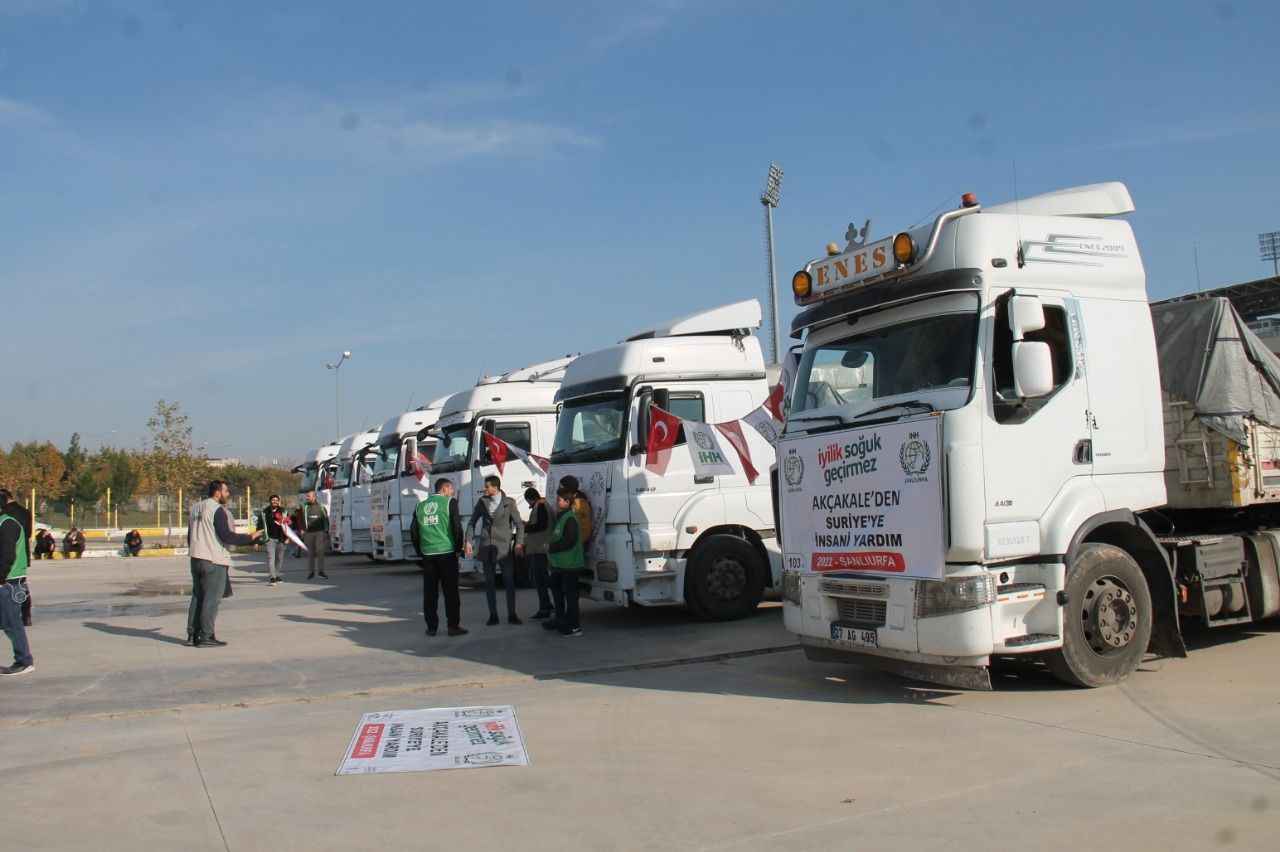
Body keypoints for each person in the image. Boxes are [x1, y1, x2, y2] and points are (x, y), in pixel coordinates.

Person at [186, 480, 262, 647]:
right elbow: (227, 536)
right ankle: (206, 636)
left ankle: (192, 635)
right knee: (211, 599)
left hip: (195, 558)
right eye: (226, 491)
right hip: (213, 560)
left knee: (198, 597)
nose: (228, 495)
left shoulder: (195, 508)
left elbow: (189, 536)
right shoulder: (216, 510)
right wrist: (251, 538)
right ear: (218, 492)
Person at [409, 478, 468, 637]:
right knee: (451, 592)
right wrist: (457, 549)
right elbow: (457, 527)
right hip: (447, 553)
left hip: (428, 555)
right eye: (451, 489)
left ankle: (431, 627)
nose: (453, 492)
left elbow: (414, 532)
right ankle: (453, 626)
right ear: (445, 488)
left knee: (430, 593)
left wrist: (420, 551)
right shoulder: (450, 503)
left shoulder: (420, 506)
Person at [465, 475, 525, 626]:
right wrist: (468, 541)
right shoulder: (482, 502)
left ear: (495, 487)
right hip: (486, 546)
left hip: (504, 548)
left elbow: (520, 525)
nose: (484, 489)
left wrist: (518, 544)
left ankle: (512, 614)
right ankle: (493, 615)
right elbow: (472, 522)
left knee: (509, 581)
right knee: (489, 582)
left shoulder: (508, 503)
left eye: (487, 487)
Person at [545, 486, 585, 637]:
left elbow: (569, 541)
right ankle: (561, 620)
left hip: (570, 565)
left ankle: (574, 627)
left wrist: (551, 547)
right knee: (557, 593)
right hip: (559, 565)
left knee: (571, 597)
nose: (557, 502)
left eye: (560, 500)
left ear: (568, 502)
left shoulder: (570, 519)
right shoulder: (562, 516)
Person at [0, 497, 35, 674]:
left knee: (11, 623)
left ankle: (24, 660)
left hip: (9, 582)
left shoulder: (7, 524)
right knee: (8, 623)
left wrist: (0, 578)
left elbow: (7, 555)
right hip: (7, 581)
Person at [523, 487, 553, 619]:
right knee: (542, 578)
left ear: (530, 499)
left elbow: (541, 525)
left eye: (528, 501)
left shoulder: (540, 506)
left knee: (540, 580)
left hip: (540, 549)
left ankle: (544, 608)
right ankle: (547, 605)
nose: (528, 505)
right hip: (541, 547)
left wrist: (525, 527)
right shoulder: (543, 505)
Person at [257, 495, 288, 585]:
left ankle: (277, 575)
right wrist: (257, 541)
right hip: (269, 538)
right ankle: (272, 577)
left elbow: (288, 525)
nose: (274, 501)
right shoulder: (264, 512)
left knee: (279, 558)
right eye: (273, 500)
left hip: (281, 539)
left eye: (276, 500)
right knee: (271, 558)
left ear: (278, 501)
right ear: (270, 501)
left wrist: (288, 538)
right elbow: (259, 526)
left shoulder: (284, 511)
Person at [299, 491, 329, 580]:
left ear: (314, 497)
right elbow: (300, 519)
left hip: (320, 532)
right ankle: (311, 572)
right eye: (307, 496)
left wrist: (326, 531)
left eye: (309, 496)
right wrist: (302, 529)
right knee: (310, 553)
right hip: (308, 533)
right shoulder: (304, 507)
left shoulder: (321, 507)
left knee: (320, 552)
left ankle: (321, 572)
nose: (307, 498)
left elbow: (326, 520)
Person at [556, 474, 594, 546]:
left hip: (575, 546)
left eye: (561, 487)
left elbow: (571, 531)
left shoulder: (578, 504)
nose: (559, 490)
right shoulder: (575, 501)